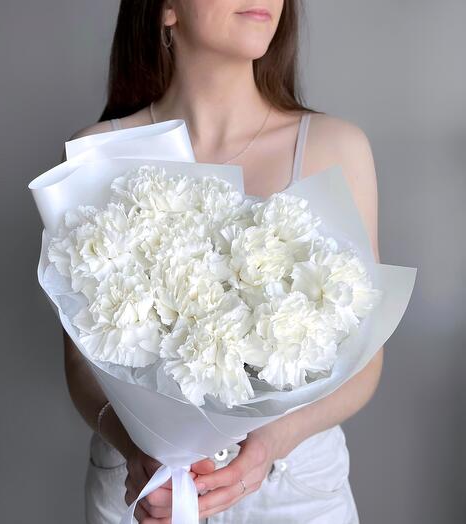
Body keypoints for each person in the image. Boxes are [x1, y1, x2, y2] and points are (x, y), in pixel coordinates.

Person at [61, 1, 383, 522]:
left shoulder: (334, 147)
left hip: (292, 488)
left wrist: (272, 442)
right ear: (167, 8)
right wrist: (135, 447)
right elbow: (81, 363)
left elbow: (365, 361)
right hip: (146, 487)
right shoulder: (94, 155)